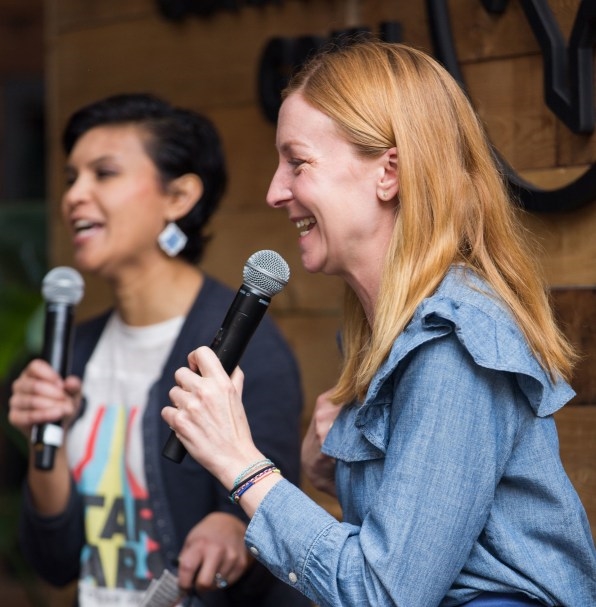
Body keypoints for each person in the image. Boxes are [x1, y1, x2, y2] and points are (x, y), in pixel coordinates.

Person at [161, 39, 596, 607]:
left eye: (298, 162)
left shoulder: (454, 344)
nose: (274, 191)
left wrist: (243, 466)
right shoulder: (389, 334)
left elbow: (385, 594)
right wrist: (332, 469)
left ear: (388, 172)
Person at [8, 92, 310, 607]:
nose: (74, 195)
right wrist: (45, 444)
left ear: (180, 197)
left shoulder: (246, 346)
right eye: (70, 177)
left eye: (103, 173)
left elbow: (272, 526)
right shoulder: (75, 348)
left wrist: (232, 527)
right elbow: (54, 562)